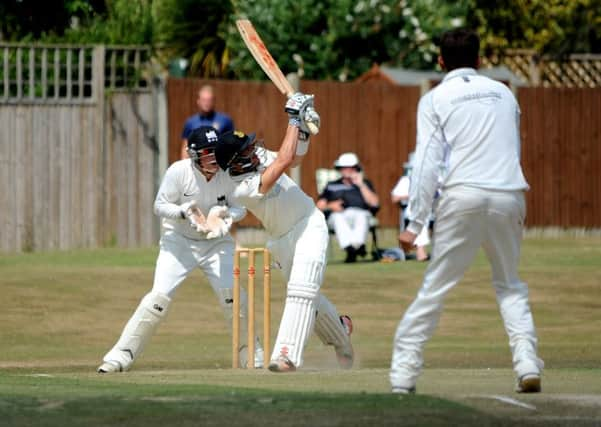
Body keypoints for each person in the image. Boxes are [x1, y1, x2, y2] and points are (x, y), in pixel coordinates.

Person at [390, 28, 543, 394]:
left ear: (441, 62)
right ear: (478, 60)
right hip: (509, 194)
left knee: (436, 286)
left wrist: (414, 223)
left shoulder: (436, 98)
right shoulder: (505, 94)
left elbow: (426, 163)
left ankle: (403, 375)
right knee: (510, 285)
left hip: (463, 195)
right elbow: (511, 148)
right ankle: (526, 363)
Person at [97, 126, 263, 373]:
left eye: (215, 152)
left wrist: (225, 216)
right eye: (207, 153)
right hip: (179, 243)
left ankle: (251, 355)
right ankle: (120, 356)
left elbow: (241, 208)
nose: (212, 158)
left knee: (234, 297)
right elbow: (159, 205)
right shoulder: (178, 171)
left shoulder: (227, 173)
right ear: (195, 155)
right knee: (157, 299)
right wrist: (183, 212)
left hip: (216, 243)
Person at [214, 93, 354, 373]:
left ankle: (286, 355)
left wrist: (303, 126)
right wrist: (293, 117)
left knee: (302, 290)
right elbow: (284, 160)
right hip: (281, 240)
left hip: (308, 224)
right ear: (235, 163)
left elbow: (296, 157)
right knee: (307, 296)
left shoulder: (256, 158)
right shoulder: (239, 188)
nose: (255, 151)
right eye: (247, 151)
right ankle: (341, 336)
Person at [316, 153, 379, 263]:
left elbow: (375, 204)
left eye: (350, 168)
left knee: (362, 216)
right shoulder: (331, 185)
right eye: (343, 168)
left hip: (361, 213)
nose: (346, 170)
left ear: (356, 168)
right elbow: (319, 206)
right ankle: (355, 248)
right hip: (338, 215)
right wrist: (331, 205)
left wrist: (360, 185)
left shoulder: (365, 184)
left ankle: (353, 248)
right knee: (337, 217)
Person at [391, 153, 430, 261]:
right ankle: (421, 252)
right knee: (420, 216)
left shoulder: (434, 181)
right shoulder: (406, 181)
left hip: (433, 211)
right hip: (414, 210)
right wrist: (412, 196)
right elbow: (395, 198)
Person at [180, 85, 235, 159]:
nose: (206, 103)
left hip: (218, 162)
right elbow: (185, 146)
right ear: (198, 101)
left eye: (209, 100)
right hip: (197, 163)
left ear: (214, 101)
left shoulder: (225, 120)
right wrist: (184, 163)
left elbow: (232, 143)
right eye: (204, 100)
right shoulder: (190, 122)